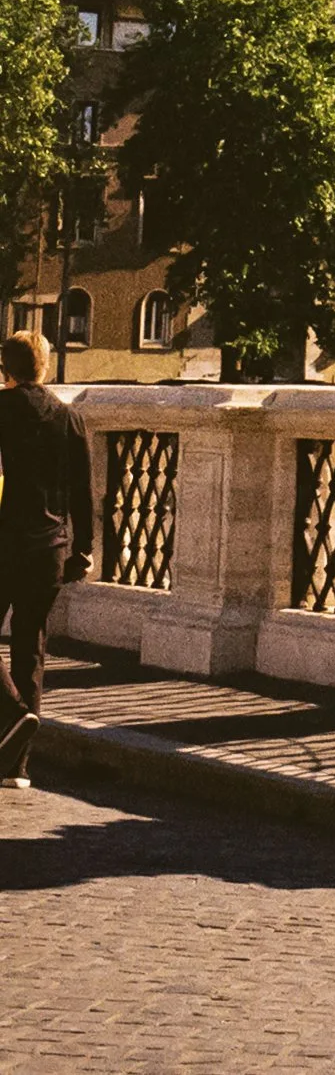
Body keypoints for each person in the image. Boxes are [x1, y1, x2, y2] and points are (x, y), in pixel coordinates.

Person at [0, 330, 94, 789]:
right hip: (52, 548)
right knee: (30, 647)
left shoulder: (1, 409)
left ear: (7, 369)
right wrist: (85, 549)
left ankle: (13, 712)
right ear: (45, 366)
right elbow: (83, 491)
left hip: (4, 544)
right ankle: (17, 768)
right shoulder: (68, 417)